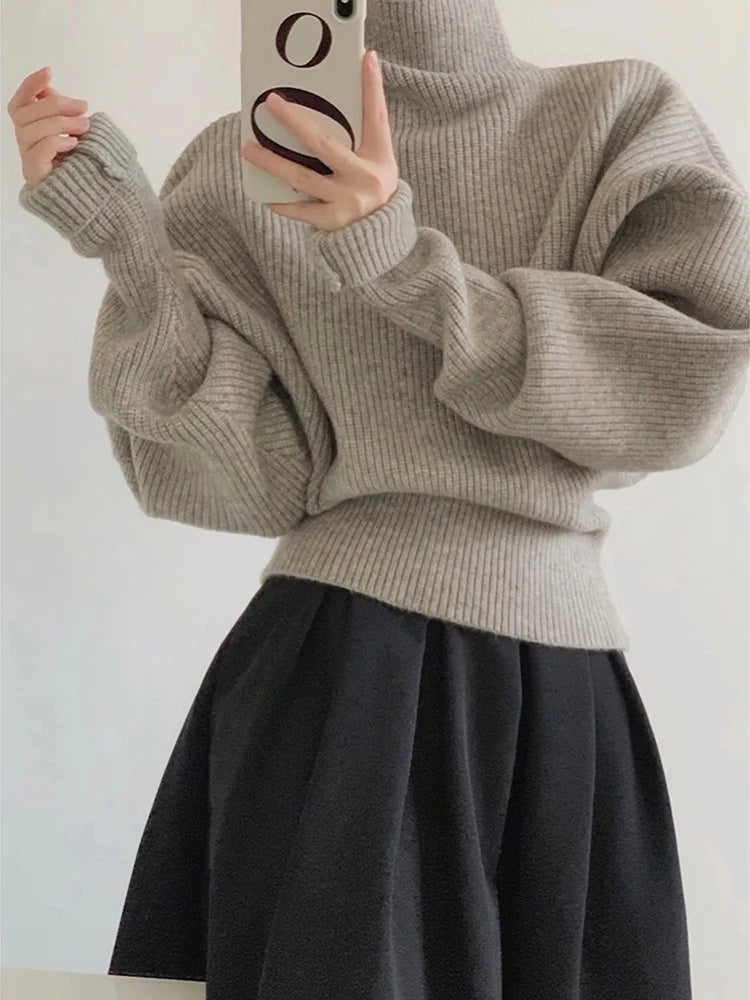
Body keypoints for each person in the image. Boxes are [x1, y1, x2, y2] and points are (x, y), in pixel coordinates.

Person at [10, 1, 749, 997]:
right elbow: (252, 479)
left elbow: (678, 391)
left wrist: (404, 265)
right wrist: (131, 249)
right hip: (340, 673)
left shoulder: (619, 117)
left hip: (562, 698)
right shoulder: (251, 157)